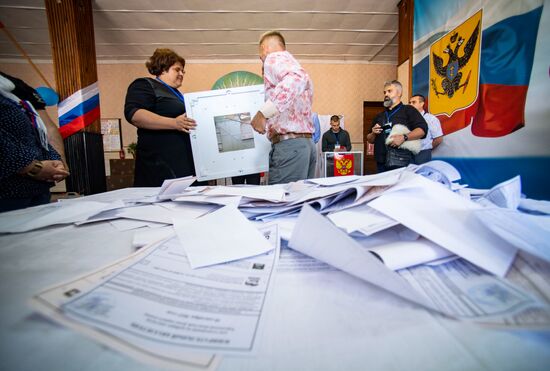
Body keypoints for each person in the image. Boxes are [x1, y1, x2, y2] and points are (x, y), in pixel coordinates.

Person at [124, 48, 202, 187]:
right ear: (163, 68)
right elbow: (134, 114)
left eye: (183, 71)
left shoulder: (178, 95)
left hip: (185, 165)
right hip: (160, 166)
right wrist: (174, 123)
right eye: (177, 69)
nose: (181, 74)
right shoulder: (146, 85)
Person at [251, 31, 316, 185]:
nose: (260, 58)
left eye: (260, 53)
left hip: (290, 147)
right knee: (298, 203)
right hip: (305, 145)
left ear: (264, 48)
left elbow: (297, 78)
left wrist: (262, 114)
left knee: (281, 203)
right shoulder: (293, 63)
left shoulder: (273, 58)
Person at [0, 74, 70, 212]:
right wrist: (32, 168)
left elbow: (44, 129)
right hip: (7, 192)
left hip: (39, 189)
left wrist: (59, 161)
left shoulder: (20, 86)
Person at [366, 80, 428, 173]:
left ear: (399, 93)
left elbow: (423, 130)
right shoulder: (380, 116)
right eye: (384, 92)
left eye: (389, 91)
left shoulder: (408, 110)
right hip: (381, 163)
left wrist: (404, 137)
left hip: (402, 162)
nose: (386, 94)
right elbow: (370, 139)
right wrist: (373, 133)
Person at [409, 94, 444, 164]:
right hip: (408, 154)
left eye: (413, 102)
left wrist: (427, 147)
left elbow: (439, 139)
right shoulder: (407, 119)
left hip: (423, 153)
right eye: (409, 102)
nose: (410, 105)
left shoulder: (431, 119)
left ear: (422, 104)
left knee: (422, 174)